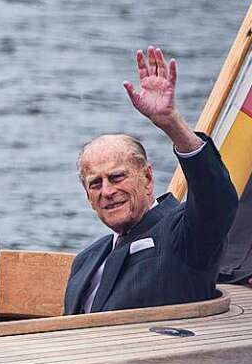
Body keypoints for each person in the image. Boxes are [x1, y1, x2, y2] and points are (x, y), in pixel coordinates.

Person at [63, 46, 239, 315]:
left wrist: (171, 123)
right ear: (88, 197)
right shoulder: (86, 260)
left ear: (147, 178)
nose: (107, 191)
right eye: (95, 184)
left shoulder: (184, 236)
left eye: (117, 177)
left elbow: (216, 199)